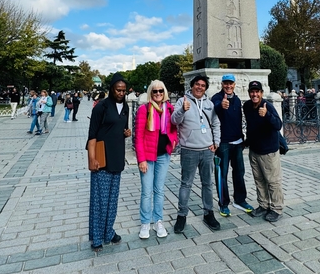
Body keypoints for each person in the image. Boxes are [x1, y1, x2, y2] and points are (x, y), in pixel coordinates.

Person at [87, 73, 131, 252]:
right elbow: (92, 135)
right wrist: (92, 159)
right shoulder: (101, 107)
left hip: (117, 158)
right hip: (101, 159)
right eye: (117, 89)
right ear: (111, 88)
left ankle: (108, 232)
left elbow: (118, 129)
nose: (120, 93)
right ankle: (97, 238)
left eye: (123, 90)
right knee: (100, 200)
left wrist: (125, 133)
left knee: (112, 200)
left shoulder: (126, 107)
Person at [171, 75, 221, 233]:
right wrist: (181, 110)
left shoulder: (209, 104)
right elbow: (174, 121)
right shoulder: (182, 101)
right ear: (192, 86)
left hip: (207, 150)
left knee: (208, 183)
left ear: (205, 88)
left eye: (203, 85)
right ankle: (182, 215)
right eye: (197, 84)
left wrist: (216, 142)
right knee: (186, 184)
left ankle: (208, 213)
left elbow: (216, 123)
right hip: (189, 150)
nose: (199, 87)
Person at [135, 80, 177, 239]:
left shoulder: (169, 109)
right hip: (148, 156)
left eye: (160, 91)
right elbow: (138, 137)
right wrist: (141, 159)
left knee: (159, 190)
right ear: (150, 93)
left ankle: (158, 220)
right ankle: (145, 222)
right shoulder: (143, 110)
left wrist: (173, 142)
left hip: (163, 155)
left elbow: (174, 129)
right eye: (155, 91)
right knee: (147, 191)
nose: (158, 94)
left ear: (164, 92)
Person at [211, 74, 254, 217]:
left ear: (234, 84)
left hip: (237, 142)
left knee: (239, 173)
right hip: (223, 142)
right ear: (222, 84)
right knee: (222, 174)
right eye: (226, 83)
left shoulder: (236, 100)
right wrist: (220, 106)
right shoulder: (217, 98)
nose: (228, 86)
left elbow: (238, 120)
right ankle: (223, 203)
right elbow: (214, 111)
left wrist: (242, 138)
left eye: (231, 83)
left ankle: (240, 200)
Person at [243, 81, 284, 222]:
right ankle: (263, 204)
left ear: (261, 93)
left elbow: (278, 125)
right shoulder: (247, 106)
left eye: (257, 92)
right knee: (259, 180)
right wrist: (247, 141)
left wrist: (267, 115)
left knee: (273, 181)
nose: (255, 94)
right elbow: (251, 126)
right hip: (254, 150)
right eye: (252, 91)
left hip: (268, 151)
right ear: (249, 93)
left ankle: (276, 208)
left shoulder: (268, 106)